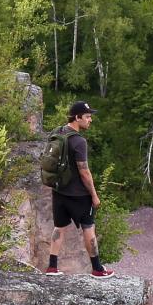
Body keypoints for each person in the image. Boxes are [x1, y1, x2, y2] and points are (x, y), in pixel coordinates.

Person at [44, 101, 113, 278]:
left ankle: (52, 267)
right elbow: (84, 172)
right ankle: (97, 269)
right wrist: (94, 196)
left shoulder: (57, 132)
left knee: (59, 227)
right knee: (88, 228)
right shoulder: (79, 141)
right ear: (77, 117)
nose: (90, 120)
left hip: (59, 191)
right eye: (88, 117)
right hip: (79, 195)